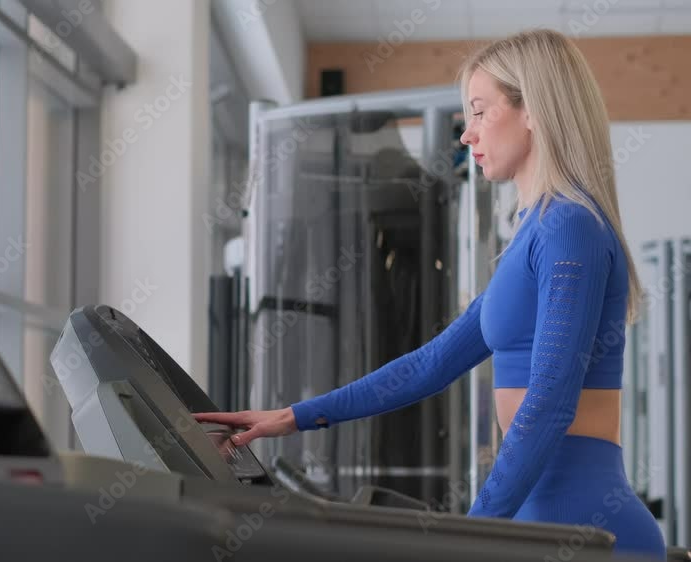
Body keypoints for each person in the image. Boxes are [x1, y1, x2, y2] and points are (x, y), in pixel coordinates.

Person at [193, 29, 666, 560]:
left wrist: (474, 532)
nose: (467, 134)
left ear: (533, 109)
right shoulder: (535, 232)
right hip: (542, 519)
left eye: (480, 112)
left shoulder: (570, 226)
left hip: (585, 522)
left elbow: (550, 403)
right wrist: (291, 416)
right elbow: (431, 364)